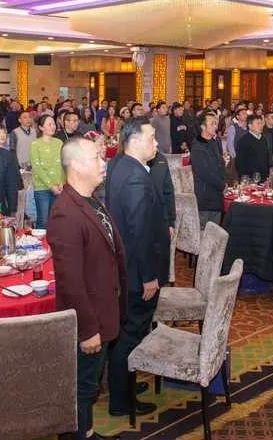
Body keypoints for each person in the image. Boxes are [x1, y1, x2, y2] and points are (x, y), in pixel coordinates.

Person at [49, 137, 125, 440]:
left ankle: (88, 432)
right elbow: (71, 281)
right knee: (81, 388)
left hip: (104, 307)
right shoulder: (66, 212)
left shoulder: (90, 200)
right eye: (97, 158)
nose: (104, 162)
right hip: (89, 319)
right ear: (76, 166)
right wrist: (87, 330)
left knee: (88, 385)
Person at [104, 117, 167, 417]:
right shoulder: (135, 178)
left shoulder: (120, 165)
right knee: (130, 335)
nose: (156, 143)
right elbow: (139, 233)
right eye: (152, 138)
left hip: (125, 267)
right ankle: (121, 401)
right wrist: (149, 277)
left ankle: (125, 384)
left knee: (125, 334)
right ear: (135, 141)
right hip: (137, 273)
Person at [190, 111, 225, 228]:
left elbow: (220, 165)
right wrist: (222, 185)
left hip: (216, 195)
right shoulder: (197, 147)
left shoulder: (213, 142)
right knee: (205, 232)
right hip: (205, 197)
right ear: (203, 127)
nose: (215, 126)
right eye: (212, 124)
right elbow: (204, 173)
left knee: (216, 233)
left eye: (216, 123)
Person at [29, 114, 64, 229]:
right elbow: (37, 168)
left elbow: (63, 164)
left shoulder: (59, 142)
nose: (53, 126)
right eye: (49, 124)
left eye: (53, 123)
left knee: (57, 221)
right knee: (43, 221)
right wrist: (51, 186)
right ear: (41, 127)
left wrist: (62, 182)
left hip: (59, 187)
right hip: (42, 188)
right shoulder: (35, 144)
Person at [235, 114, 270, 181]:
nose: (261, 126)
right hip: (250, 178)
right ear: (250, 126)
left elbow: (266, 158)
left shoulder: (263, 139)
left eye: (261, 123)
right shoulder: (243, 141)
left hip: (264, 177)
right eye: (258, 123)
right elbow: (239, 163)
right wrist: (245, 178)